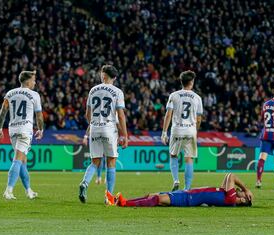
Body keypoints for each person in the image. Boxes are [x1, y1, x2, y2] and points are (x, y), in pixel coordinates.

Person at [78, 65, 128, 204]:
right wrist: (125, 135)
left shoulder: (93, 90)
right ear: (115, 78)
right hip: (109, 128)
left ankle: (84, 183)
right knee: (111, 161)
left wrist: (93, 124)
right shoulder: (117, 92)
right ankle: (109, 197)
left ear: (103, 75)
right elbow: (121, 115)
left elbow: (87, 114)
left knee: (95, 162)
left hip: (94, 128)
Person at [0, 70, 44, 200]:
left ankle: (29, 191)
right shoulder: (34, 95)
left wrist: (0, 128)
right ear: (28, 81)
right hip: (25, 130)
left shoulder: (10, 93)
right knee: (18, 159)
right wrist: (41, 129)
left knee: (23, 161)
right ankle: (8, 190)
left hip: (13, 130)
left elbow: (3, 111)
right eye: (33, 80)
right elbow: (39, 115)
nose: (35, 82)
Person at [161, 70, 203, 191]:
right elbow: (199, 119)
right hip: (190, 130)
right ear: (192, 82)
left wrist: (164, 132)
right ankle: (187, 188)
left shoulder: (174, 95)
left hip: (177, 129)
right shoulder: (197, 98)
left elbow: (168, 115)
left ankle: (176, 180)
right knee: (189, 158)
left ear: (181, 82)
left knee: (173, 155)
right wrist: (196, 131)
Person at [109, 173, 253, 207]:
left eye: (244, 195)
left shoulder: (231, 198)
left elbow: (231, 175)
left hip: (188, 199)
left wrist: (245, 189)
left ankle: (124, 204)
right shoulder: (227, 195)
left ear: (244, 199)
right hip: (187, 194)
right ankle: (122, 200)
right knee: (153, 195)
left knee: (158, 199)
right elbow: (226, 180)